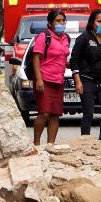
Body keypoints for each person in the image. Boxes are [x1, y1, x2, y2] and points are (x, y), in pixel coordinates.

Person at [70, 9, 101, 142]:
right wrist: (77, 81)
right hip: (87, 81)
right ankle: (85, 143)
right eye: (99, 21)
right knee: (88, 114)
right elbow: (74, 60)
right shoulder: (84, 38)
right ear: (92, 22)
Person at [31, 10, 71, 147]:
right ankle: (36, 144)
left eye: (63, 21)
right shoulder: (44, 36)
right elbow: (36, 58)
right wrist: (39, 79)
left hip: (58, 81)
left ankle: (50, 145)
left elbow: (61, 58)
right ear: (50, 23)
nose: (61, 23)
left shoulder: (66, 38)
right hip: (44, 80)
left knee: (55, 114)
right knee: (44, 113)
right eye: (58, 21)